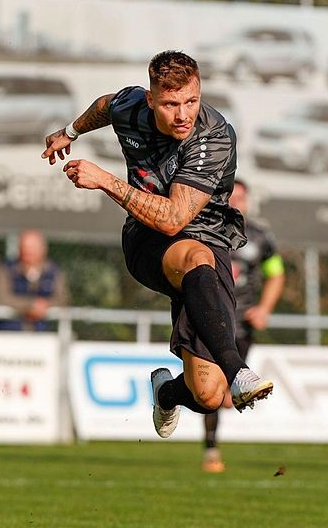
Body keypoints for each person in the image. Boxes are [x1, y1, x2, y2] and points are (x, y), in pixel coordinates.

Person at [41, 50, 274, 439]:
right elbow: (104, 106)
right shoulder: (131, 105)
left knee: (208, 394)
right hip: (147, 240)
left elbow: (175, 218)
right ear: (150, 100)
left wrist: (105, 180)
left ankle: (167, 391)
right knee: (195, 255)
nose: (183, 114)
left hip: (204, 234)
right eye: (170, 104)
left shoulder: (214, 135)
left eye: (191, 101)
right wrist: (70, 131)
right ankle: (239, 371)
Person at [201, 179, 285, 473]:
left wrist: (264, 308)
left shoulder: (259, 237)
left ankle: (222, 397)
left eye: (242, 198)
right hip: (211, 317)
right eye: (231, 196)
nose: (237, 202)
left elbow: (276, 274)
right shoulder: (205, 228)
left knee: (224, 396)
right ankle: (211, 450)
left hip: (243, 323)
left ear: (249, 202)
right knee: (213, 390)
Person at [0, 230, 67, 332]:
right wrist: (29, 306)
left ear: (43, 249)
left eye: (33, 247)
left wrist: (45, 305)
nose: (28, 251)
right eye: (24, 247)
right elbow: (1, 298)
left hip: (42, 332)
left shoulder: (53, 271)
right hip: (9, 331)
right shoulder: (6, 269)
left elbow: (62, 298)